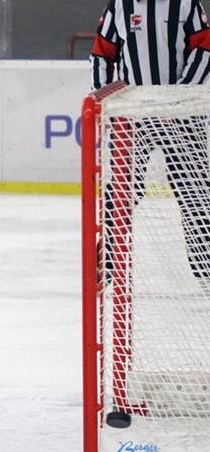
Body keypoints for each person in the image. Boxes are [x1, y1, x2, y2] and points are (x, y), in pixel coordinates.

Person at [91, 0, 210, 282]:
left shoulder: (185, 4)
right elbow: (102, 54)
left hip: (182, 115)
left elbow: (205, 48)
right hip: (134, 114)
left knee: (196, 190)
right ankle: (106, 265)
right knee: (122, 189)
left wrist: (176, 98)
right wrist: (105, 102)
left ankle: (206, 268)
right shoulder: (120, 5)